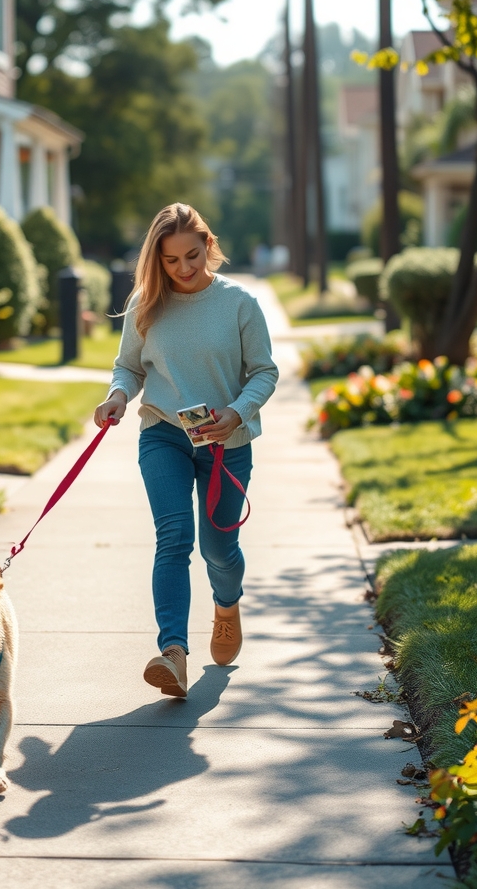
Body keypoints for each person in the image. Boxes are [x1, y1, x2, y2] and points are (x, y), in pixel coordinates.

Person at [93, 203, 278, 699]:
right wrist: (117, 396)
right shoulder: (145, 303)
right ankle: (173, 653)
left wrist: (237, 412)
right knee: (173, 537)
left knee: (219, 550)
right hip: (164, 434)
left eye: (192, 256)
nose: (183, 268)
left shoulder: (239, 303)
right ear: (157, 259)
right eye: (171, 260)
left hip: (225, 442)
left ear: (208, 245)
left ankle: (226, 605)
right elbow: (128, 367)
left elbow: (264, 372)